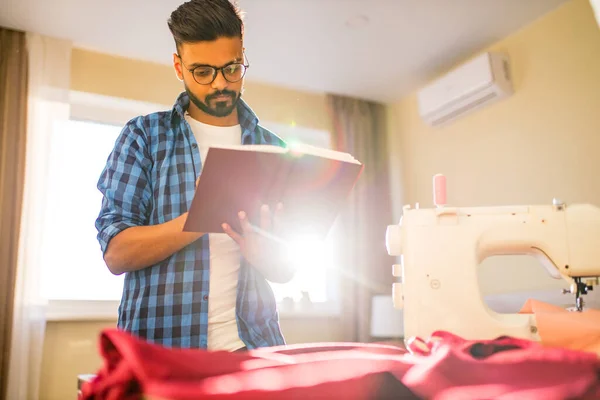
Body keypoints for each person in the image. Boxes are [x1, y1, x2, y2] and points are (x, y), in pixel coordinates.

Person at [95, 0, 295, 351]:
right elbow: (116, 253)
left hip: (253, 349)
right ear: (178, 66)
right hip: (162, 351)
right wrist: (201, 216)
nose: (220, 83)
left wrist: (263, 253)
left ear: (243, 55)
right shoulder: (144, 137)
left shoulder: (274, 150)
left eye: (232, 68)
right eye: (203, 72)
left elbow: (285, 270)